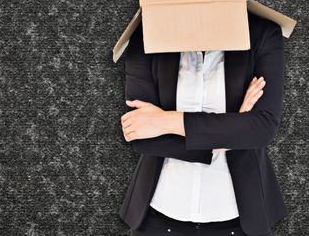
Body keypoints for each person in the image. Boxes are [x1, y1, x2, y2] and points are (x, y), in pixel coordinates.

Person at [120, 12, 288, 236]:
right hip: (158, 216)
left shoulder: (262, 34)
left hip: (237, 218)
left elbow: (263, 128)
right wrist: (234, 131)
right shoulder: (147, 35)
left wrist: (165, 121)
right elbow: (140, 134)